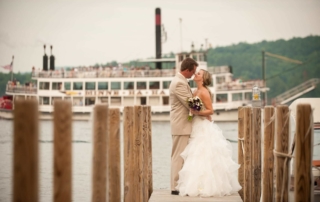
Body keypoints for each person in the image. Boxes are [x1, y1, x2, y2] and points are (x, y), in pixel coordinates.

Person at [175, 68, 242, 197]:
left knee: (203, 153)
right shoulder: (195, 91)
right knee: (195, 155)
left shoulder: (204, 92)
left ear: (203, 78)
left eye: (198, 73)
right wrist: (192, 112)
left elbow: (210, 111)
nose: (195, 74)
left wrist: (196, 112)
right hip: (196, 124)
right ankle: (195, 185)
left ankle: (205, 186)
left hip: (202, 126)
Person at [169, 57, 198, 195]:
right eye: (192, 72)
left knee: (183, 156)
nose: (193, 75)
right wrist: (205, 109)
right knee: (178, 156)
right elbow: (190, 103)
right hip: (181, 125)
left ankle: (181, 184)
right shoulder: (179, 83)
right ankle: (175, 187)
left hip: (183, 124)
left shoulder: (181, 81)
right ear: (187, 70)